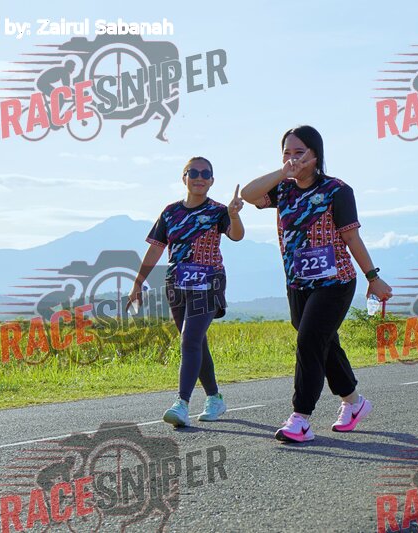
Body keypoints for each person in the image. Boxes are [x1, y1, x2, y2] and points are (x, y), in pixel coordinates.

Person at [241, 125, 393, 443]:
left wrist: (373, 278)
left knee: (309, 340)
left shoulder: (337, 191)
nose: (293, 159)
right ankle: (354, 402)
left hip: (335, 281)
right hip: (298, 282)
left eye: (300, 152)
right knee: (322, 341)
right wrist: (282, 172)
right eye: (287, 153)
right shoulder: (283, 190)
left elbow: (351, 237)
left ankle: (300, 419)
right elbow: (248, 194)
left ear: (315, 155)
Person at [127, 156, 244, 427]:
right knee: (196, 341)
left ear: (212, 180)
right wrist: (138, 283)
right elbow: (155, 248)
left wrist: (234, 215)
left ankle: (181, 403)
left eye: (205, 173)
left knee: (189, 340)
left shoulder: (219, 211)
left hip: (209, 281)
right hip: (177, 283)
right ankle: (214, 398)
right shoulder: (170, 212)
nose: (199, 177)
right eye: (193, 172)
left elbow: (237, 235)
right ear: (184, 178)